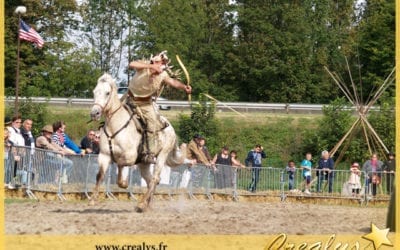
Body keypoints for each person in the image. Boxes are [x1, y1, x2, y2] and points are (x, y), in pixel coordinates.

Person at [124, 51, 192, 164]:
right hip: (129, 99)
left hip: (145, 104)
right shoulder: (143, 66)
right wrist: (150, 65)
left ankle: (148, 153)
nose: (154, 63)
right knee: (111, 110)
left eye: (157, 62)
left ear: (162, 64)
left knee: (153, 123)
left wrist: (184, 87)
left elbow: (173, 82)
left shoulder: (163, 75)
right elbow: (132, 64)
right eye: (153, 61)